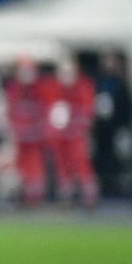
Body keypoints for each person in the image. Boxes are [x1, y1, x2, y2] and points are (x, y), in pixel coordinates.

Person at [43, 56, 99, 208]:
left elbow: (87, 112)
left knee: (81, 164)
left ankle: (89, 196)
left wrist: (79, 128)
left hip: (77, 136)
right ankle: (66, 196)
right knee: (63, 166)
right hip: (61, 137)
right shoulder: (54, 88)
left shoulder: (83, 87)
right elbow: (51, 111)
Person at [5, 56, 50, 207]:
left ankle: (35, 197)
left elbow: (44, 112)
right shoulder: (15, 89)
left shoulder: (39, 89)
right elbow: (12, 112)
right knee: (22, 167)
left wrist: (40, 131)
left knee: (35, 167)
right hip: (21, 137)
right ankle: (25, 195)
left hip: (34, 138)